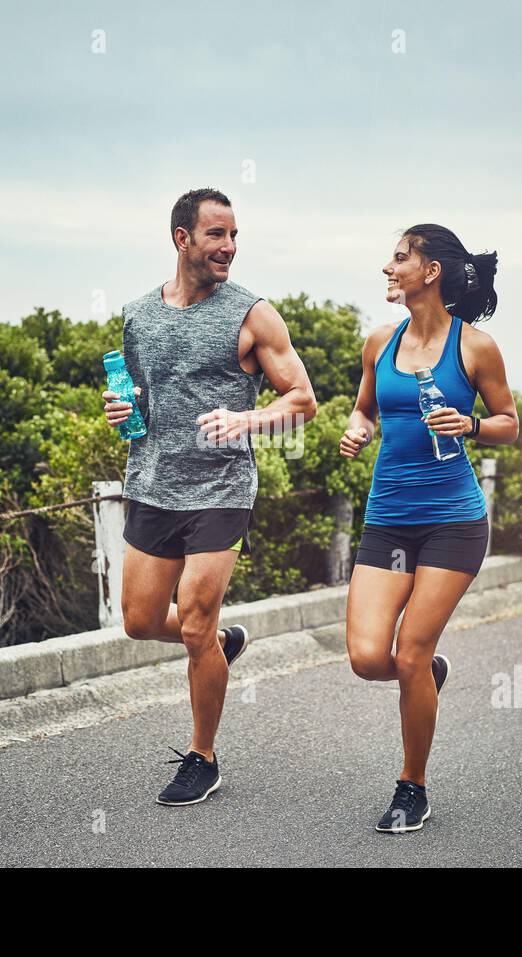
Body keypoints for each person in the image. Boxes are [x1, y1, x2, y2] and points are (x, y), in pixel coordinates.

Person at [103, 188, 316, 806]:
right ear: (181, 239)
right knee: (140, 622)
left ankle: (203, 755)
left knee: (195, 621)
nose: (228, 247)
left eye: (233, 236)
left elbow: (301, 400)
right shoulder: (140, 315)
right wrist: (124, 412)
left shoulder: (252, 314)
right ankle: (221, 646)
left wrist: (247, 422)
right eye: (216, 235)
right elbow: (142, 401)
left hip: (221, 490)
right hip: (152, 483)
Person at [339, 224, 518, 832]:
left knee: (410, 650)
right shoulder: (379, 343)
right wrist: (359, 430)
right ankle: (426, 676)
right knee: (368, 657)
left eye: (399, 258)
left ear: (431, 270)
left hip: (452, 522)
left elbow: (509, 423)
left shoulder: (475, 347)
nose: (388, 268)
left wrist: (468, 426)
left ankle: (411, 786)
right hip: (388, 519)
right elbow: (366, 407)